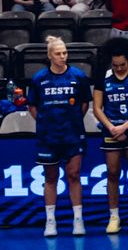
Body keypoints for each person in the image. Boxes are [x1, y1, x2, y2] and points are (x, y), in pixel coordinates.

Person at [24, 32, 93, 238]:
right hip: (48, 137)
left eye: (65, 53)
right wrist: (46, 123)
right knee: (51, 178)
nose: (63, 56)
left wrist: (70, 122)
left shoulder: (78, 76)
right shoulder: (39, 79)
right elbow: (33, 107)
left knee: (74, 175)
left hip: (72, 135)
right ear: (50, 56)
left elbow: (83, 104)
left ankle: (78, 220)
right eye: (58, 53)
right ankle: (51, 221)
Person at [92, 42, 128, 235]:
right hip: (111, 131)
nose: (118, 68)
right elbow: (97, 108)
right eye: (115, 65)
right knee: (112, 174)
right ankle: (114, 217)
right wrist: (111, 127)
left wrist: (125, 126)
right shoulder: (103, 78)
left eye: (122, 65)